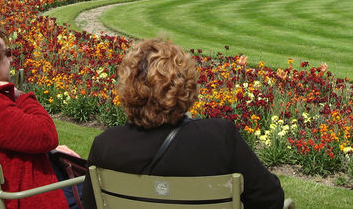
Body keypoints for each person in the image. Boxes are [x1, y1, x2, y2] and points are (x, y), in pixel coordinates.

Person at [82, 39, 285, 209]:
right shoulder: (218, 137)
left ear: (128, 88)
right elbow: (270, 198)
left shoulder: (106, 145)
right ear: (185, 86)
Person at [0, 26, 79, 209]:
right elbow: (47, 135)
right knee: (94, 188)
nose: (10, 59)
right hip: (19, 198)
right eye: (6, 53)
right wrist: (20, 95)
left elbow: (16, 135)